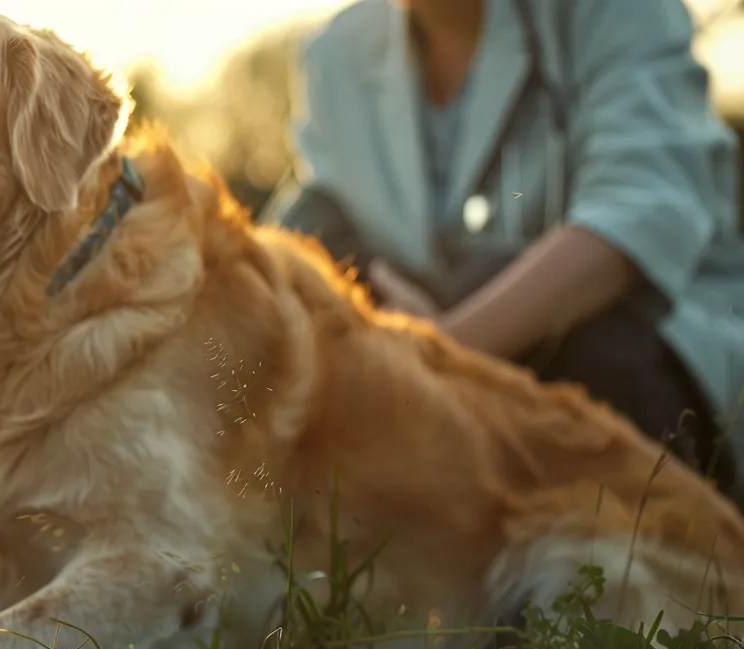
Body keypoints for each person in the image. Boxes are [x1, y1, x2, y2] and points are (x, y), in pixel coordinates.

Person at [266, 0, 744, 512]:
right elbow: (317, 209)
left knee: (595, 357)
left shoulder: (618, 12)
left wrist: (435, 360)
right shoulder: (333, 52)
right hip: (435, 372)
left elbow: (642, 209)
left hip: (635, 357)